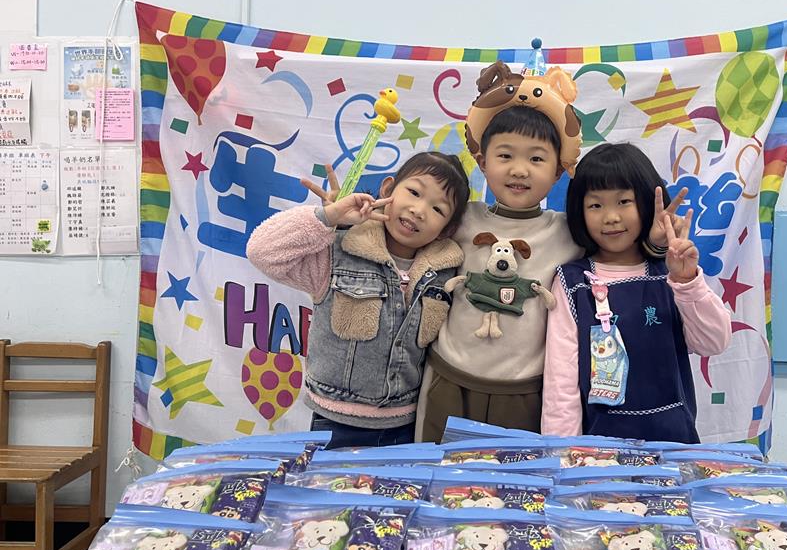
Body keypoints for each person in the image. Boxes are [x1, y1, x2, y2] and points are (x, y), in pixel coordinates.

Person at [416, 58, 687, 441]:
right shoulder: (461, 218)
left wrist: (655, 243)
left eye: (536, 158)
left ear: (559, 170)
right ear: (482, 161)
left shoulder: (568, 231)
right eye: (505, 155)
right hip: (448, 380)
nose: (519, 170)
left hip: (526, 394)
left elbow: (620, 253)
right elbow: (410, 232)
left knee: (520, 479)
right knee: (437, 474)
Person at [247, 152, 470, 449]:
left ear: (448, 229)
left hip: (407, 425)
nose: (419, 210)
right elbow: (262, 252)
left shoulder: (446, 275)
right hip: (334, 422)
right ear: (388, 189)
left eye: (438, 209)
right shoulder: (337, 251)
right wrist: (328, 218)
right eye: (414, 192)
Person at [542, 142, 732, 442]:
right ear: (579, 211)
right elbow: (560, 382)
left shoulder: (671, 273)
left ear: (645, 202)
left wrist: (687, 281)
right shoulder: (572, 281)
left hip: (673, 445)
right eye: (595, 205)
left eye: (624, 202)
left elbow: (714, 342)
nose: (611, 217)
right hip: (598, 451)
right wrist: (563, 451)